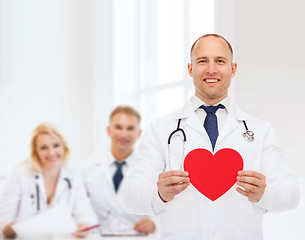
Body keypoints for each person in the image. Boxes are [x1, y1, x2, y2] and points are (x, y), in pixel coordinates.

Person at [121, 34, 300, 240]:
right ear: (190, 69)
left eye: (220, 61)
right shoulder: (162, 128)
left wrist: (265, 194)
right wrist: (159, 194)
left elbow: (292, 193)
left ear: (233, 69)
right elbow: (129, 195)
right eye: (202, 61)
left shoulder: (260, 130)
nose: (211, 69)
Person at [0, 123, 97, 239]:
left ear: (64, 147)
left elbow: (85, 213)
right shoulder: (20, 175)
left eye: (56, 145)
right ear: (36, 152)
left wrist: (84, 226)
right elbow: (3, 218)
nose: (51, 153)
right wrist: (6, 228)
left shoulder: (73, 176)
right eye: (44, 148)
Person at [81, 106, 156, 235]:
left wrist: (155, 224)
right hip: (98, 236)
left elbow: (164, 207)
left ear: (139, 133)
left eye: (130, 128)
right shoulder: (86, 168)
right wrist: (84, 222)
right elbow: (79, 206)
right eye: (118, 127)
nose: (124, 134)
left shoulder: (151, 167)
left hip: (136, 237)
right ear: (109, 131)